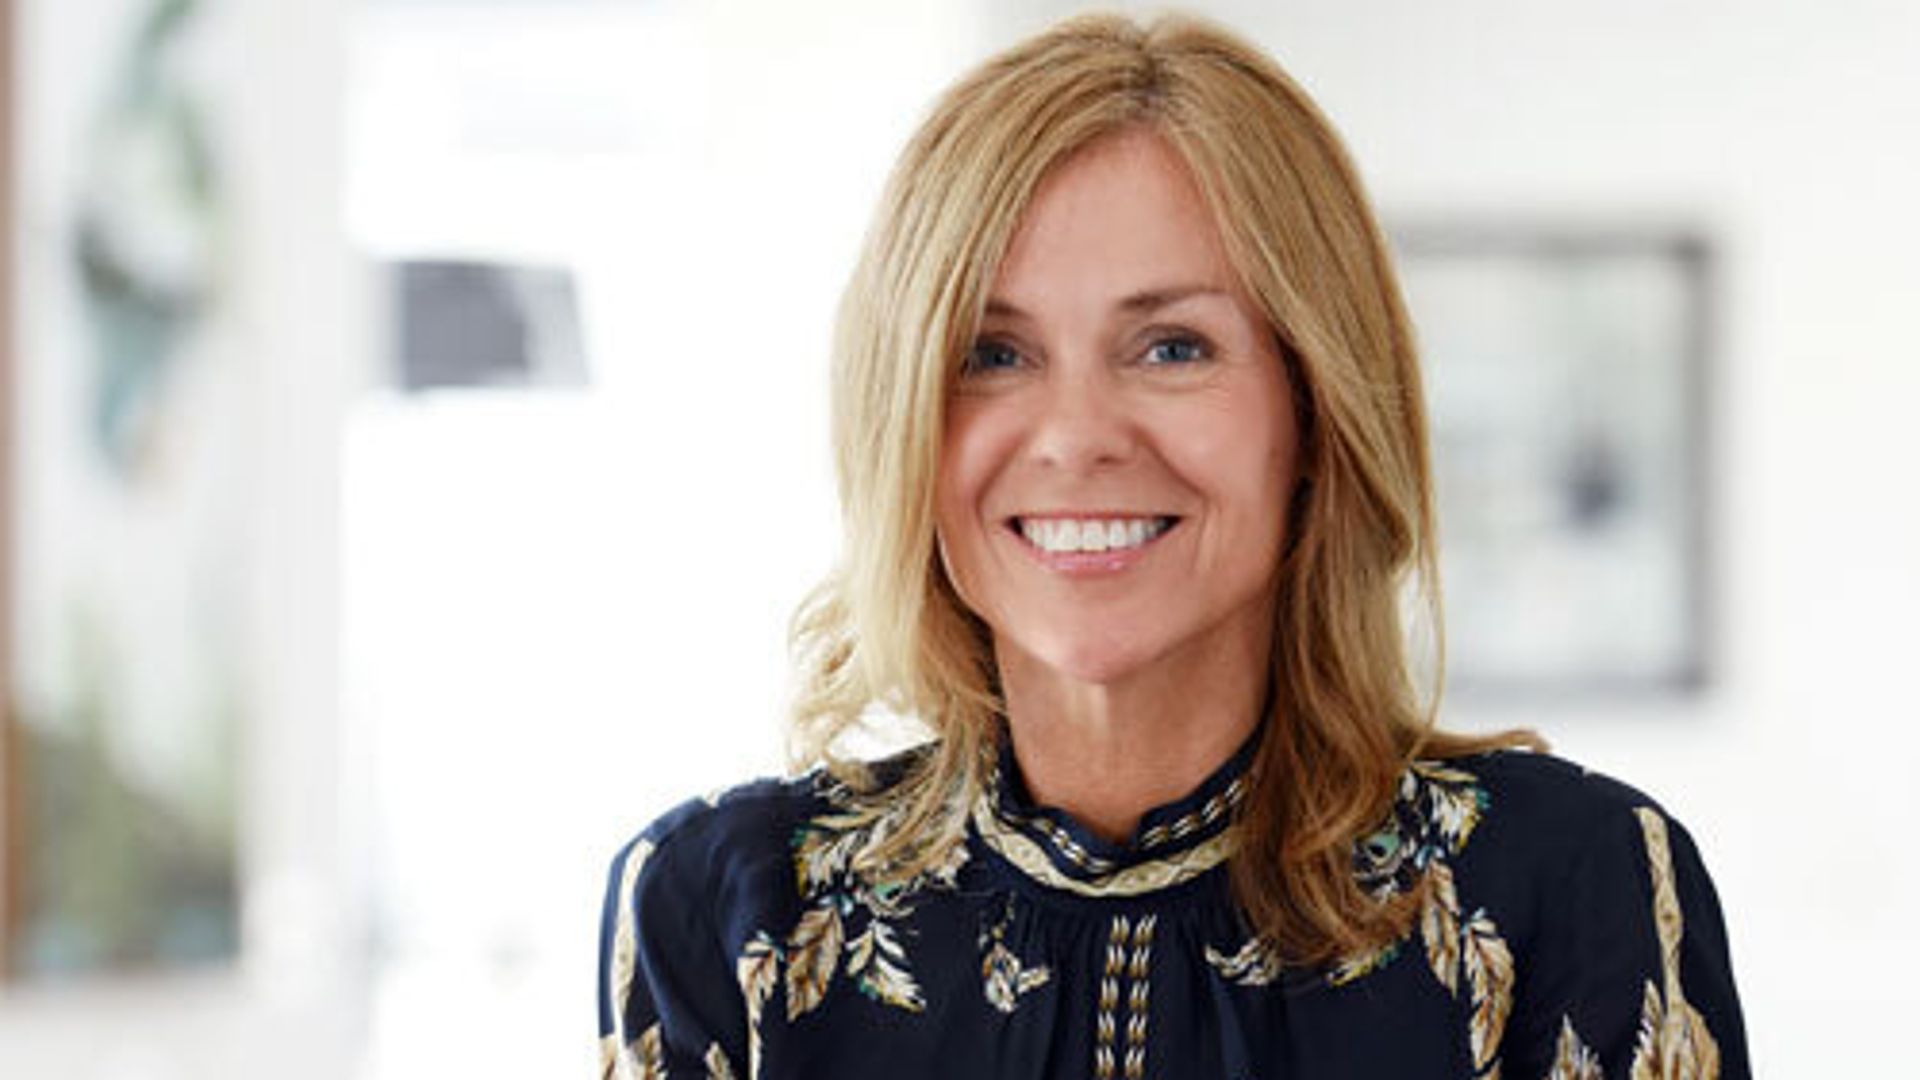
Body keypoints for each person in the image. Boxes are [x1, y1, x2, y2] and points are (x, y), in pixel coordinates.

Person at [596, 12, 1748, 1079]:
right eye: (993, 354)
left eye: (1172, 347)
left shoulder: (1576, 887)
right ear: (903, 420)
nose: (1078, 437)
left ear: (1313, 410)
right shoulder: (722, 916)